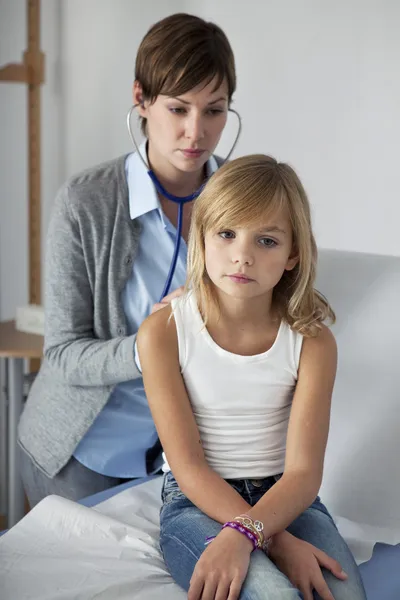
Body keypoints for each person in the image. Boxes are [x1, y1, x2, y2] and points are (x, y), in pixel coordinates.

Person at [17, 12, 238, 506]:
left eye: (214, 110)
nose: (195, 132)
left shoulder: (245, 200)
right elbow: (62, 354)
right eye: (178, 109)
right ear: (140, 98)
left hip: (188, 454)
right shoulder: (84, 204)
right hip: (83, 451)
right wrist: (148, 345)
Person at [137, 155, 367, 600]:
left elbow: (303, 473)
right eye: (227, 233)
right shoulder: (164, 333)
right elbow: (188, 467)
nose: (242, 255)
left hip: (286, 500)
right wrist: (269, 541)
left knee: (344, 595)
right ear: (201, 236)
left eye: (266, 240)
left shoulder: (313, 343)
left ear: (292, 254)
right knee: (273, 595)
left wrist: (254, 530)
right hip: (196, 502)